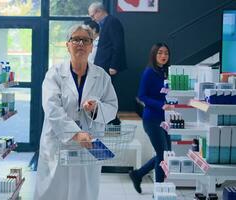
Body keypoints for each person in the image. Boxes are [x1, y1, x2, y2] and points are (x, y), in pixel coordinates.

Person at [34, 24, 118, 200]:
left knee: (83, 193)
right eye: (75, 39)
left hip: (88, 146)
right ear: (67, 45)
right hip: (58, 143)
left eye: (85, 40)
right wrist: (75, 133)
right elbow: (52, 109)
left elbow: (112, 107)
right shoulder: (54, 74)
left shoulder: (101, 76)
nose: (80, 43)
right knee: (54, 192)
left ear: (91, 46)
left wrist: (96, 109)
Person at [129, 43, 174, 193]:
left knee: (166, 154)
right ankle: (159, 190)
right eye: (160, 53)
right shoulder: (149, 72)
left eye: (166, 53)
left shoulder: (166, 72)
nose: (163, 56)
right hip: (151, 119)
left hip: (164, 120)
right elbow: (142, 96)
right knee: (162, 155)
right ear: (154, 55)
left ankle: (137, 174)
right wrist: (161, 105)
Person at [88, 2, 126, 125]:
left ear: (99, 11)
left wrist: (113, 65)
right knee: (102, 95)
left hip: (109, 67)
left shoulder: (112, 22)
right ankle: (109, 120)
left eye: (93, 16)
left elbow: (118, 45)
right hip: (103, 66)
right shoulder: (104, 23)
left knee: (106, 95)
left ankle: (113, 121)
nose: (93, 19)